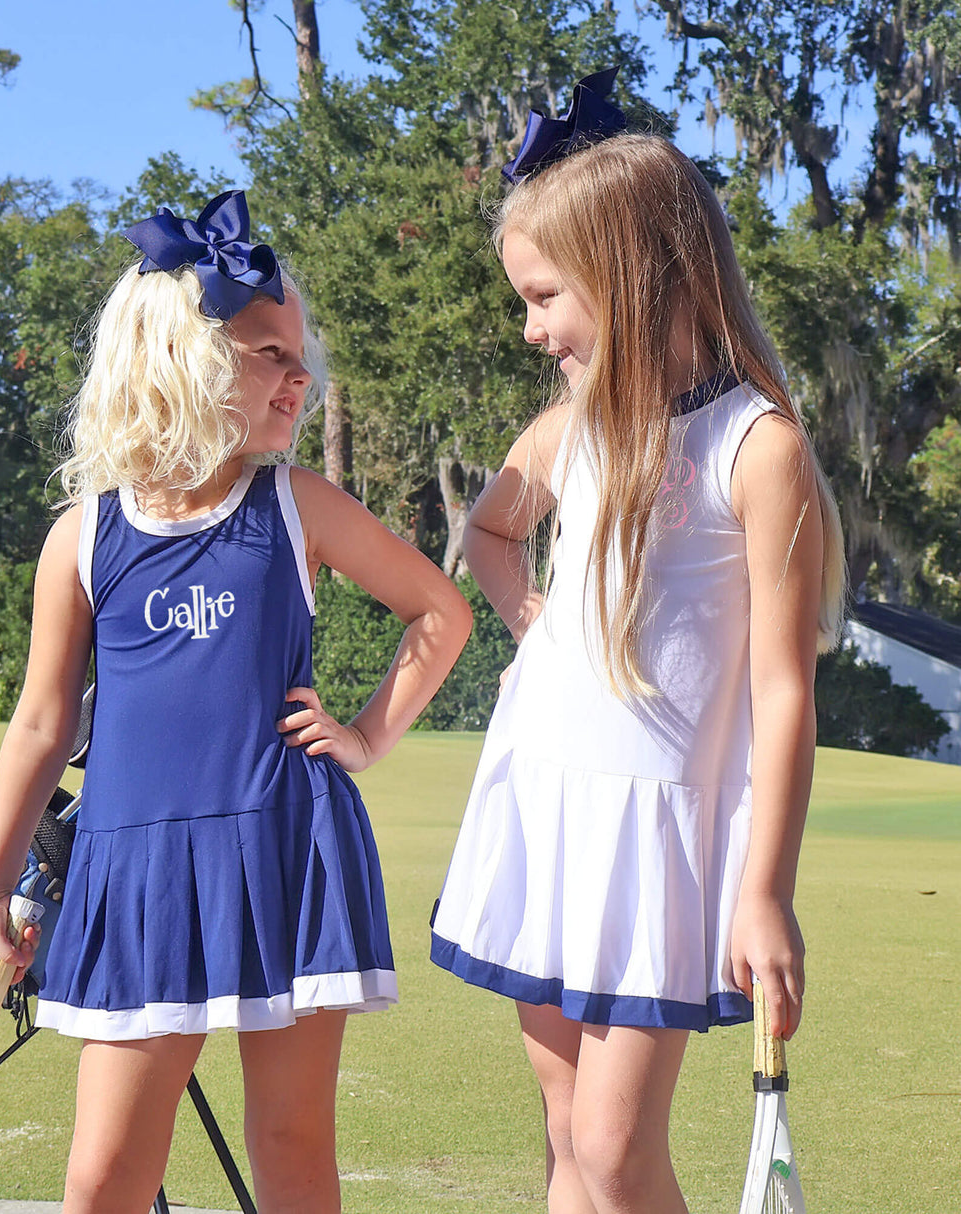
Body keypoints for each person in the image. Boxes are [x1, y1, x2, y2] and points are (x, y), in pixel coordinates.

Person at [0, 189, 472, 1214]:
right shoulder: (84, 534)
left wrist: (366, 733)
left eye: (299, 357)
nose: (298, 377)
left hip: (282, 848)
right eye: (265, 354)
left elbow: (439, 611)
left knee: (291, 1149)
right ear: (178, 361)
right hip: (136, 868)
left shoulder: (295, 504)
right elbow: (41, 720)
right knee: (104, 1171)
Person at [429, 70, 846, 1214]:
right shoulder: (569, 431)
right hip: (546, 800)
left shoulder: (755, 447)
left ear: (628, 270)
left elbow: (781, 692)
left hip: (652, 835)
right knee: (567, 1136)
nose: (529, 327)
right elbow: (489, 533)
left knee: (615, 1150)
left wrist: (763, 890)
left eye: (544, 294)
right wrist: (535, 632)